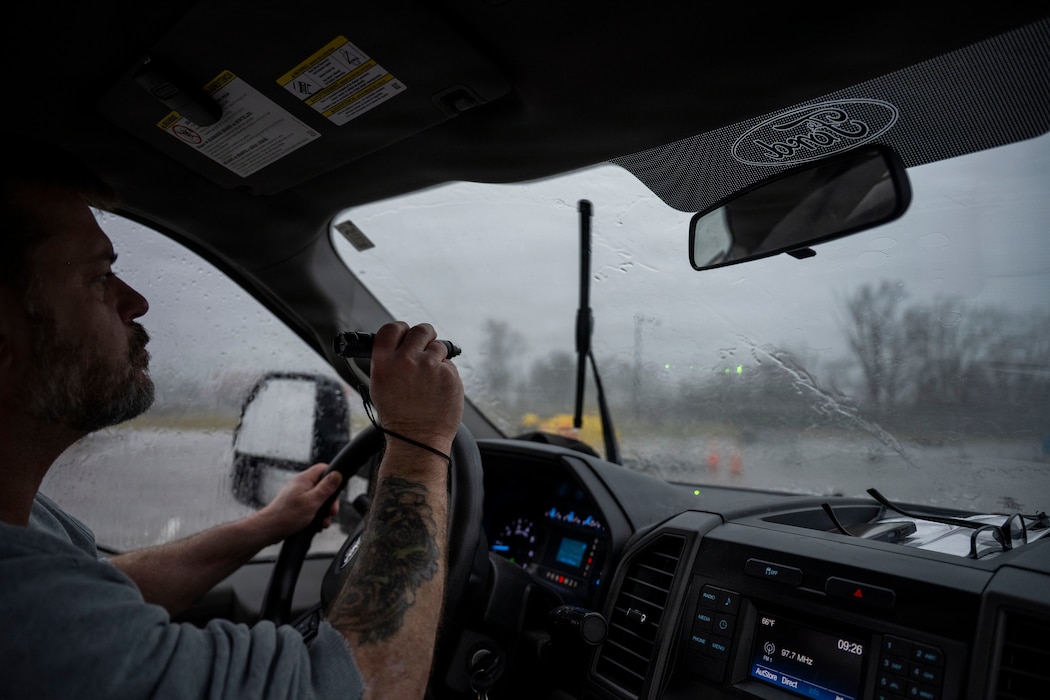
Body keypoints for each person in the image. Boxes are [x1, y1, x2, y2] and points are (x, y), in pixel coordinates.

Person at [0, 142, 464, 699]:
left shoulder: (30, 549)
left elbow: (101, 595)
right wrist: (419, 441)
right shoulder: (17, 600)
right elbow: (371, 689)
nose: (137, 301)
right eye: (99, 278)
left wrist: (266, 525)